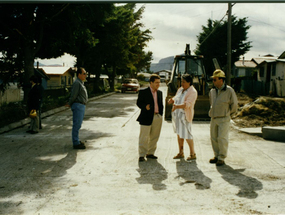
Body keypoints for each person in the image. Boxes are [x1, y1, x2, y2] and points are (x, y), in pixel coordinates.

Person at [208, 69, 238, 166]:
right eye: (213, 79)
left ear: (221, 80)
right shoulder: (212, 91)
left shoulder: (229, 91)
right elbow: (211, 103)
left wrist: (228, 113)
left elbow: (234, 104)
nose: (213, 81)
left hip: (224, 118)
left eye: (215, 79)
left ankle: (222, 157)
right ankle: (216, 156)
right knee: (214, 138)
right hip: (214, 118)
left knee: (222, 138)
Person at [168, 74, 198, 161]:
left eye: (184, 82)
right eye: (181, 81)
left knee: (187, 134)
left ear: (189, 82)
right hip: (178, 115)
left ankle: (193, 153)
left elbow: (187, 104)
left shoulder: (192, 92)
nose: (182, 83)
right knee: (179, 133)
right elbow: (177, 97)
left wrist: (177, 106)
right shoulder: (181, 89)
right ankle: (181, 152)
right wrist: (172, 100)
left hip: (185, 116)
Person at [136, 74, 163, 162]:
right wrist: (145, 107)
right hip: (146, 116)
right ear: (151, 82)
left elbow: (160, 104)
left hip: (157, 117)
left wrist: (160, 114)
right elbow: (139, 103)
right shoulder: (143, 92)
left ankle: (150, 153)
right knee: (144, 136)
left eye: (159, 83)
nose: (158, 84)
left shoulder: (160, 93)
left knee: (155, 136)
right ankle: (141, 155)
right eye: (156, 83)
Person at [66, 67, 88, 149]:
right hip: (78, 105)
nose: (85, 75)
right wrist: (70, 103)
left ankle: (77, 140)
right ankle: (75, 142)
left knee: (78, 125)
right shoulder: (77, 83)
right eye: (84, 73)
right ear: (79, 74)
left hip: (81, 105)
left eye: (86, 74)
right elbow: (74, 95)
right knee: (76, 125)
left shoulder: (80, 83)